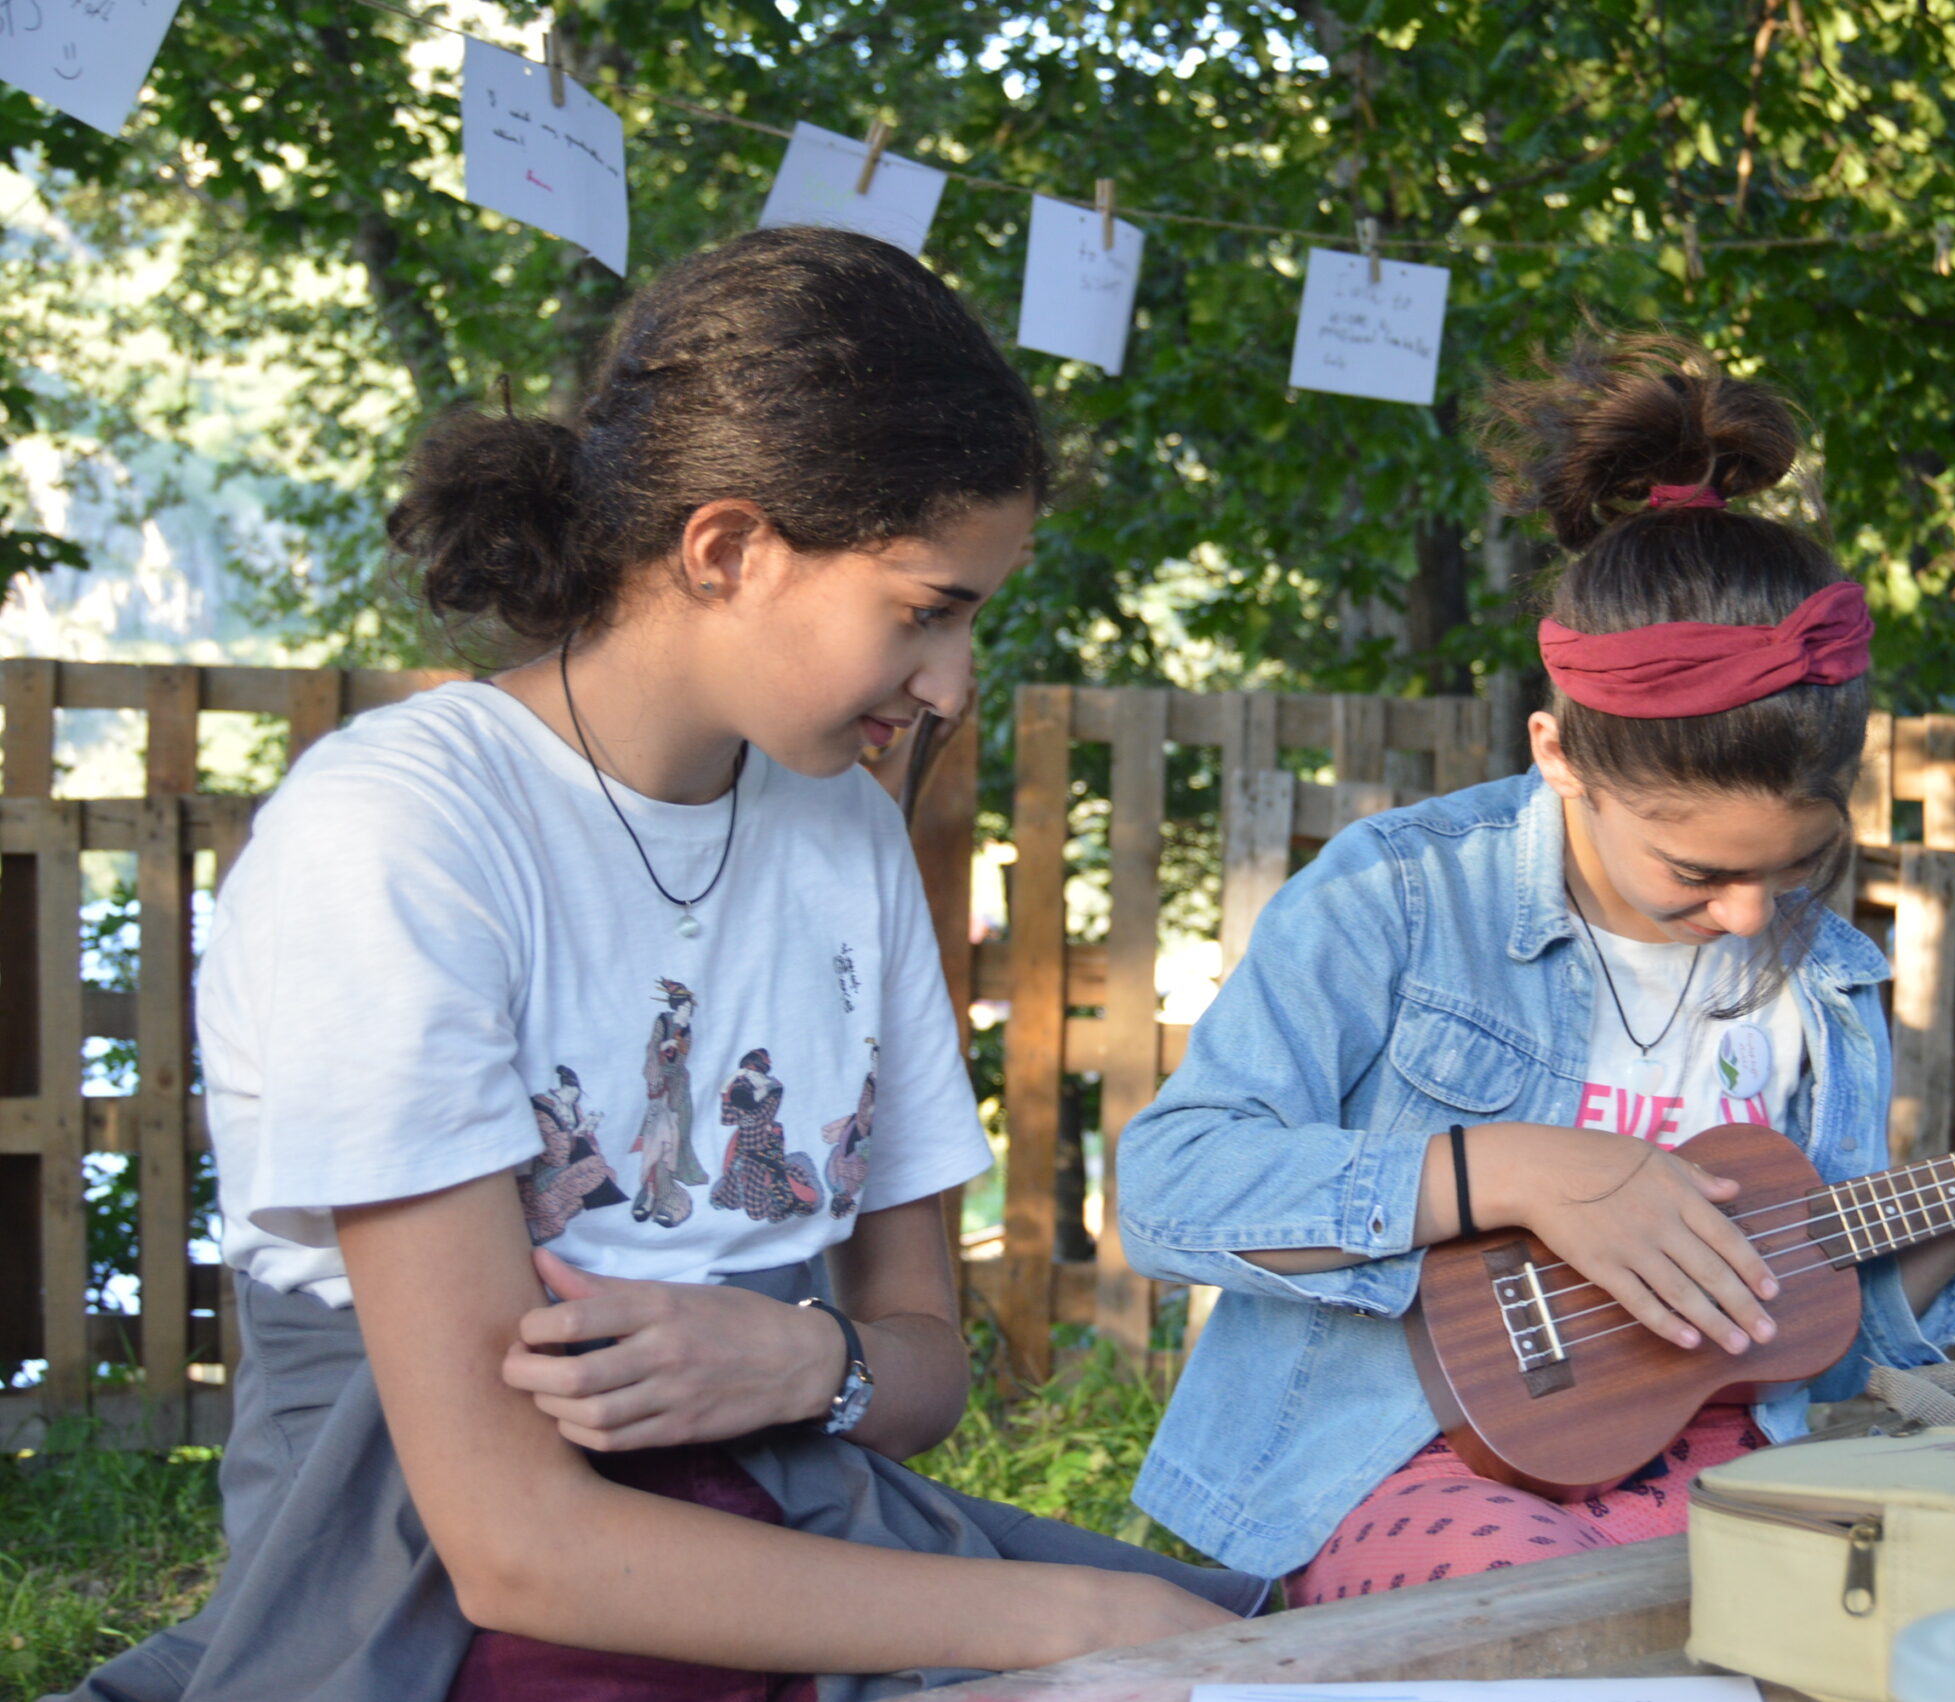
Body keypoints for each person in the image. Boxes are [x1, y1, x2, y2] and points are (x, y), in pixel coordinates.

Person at [58, 227, 1258, 1702]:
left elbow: (925, 1363)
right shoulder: (395, 836)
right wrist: (1067, 1619)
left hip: (797, 1510)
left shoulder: (846, 837)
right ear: (728, 547)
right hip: (423, 1589)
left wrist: (808, 1364)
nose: (953, 683)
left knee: (1290, 1655)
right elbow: (515, 1550)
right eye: (926, 609)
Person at [1114, 333, 1955, 1599]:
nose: (1745, 916)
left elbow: (1804, 1344)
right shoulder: (1399, 894)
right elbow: (1170, 1191)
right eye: (1693, 872)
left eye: (1796, 865)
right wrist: (1510, 1169)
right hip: (1412, 1461)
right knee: (1565, 1645)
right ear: (1559, 756)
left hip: (1714, 1465)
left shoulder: (1822, 980)